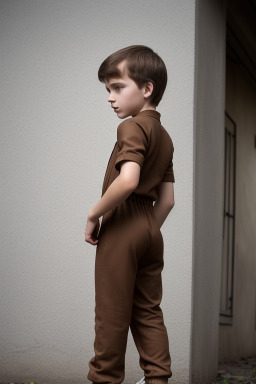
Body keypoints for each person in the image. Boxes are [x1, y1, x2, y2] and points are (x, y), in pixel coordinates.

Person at [84, 45, 175, 384]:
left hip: (123, 227)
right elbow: (167, 201)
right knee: (149, 312)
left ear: (147, 88)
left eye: (118, 87)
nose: (110, 97)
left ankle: (105, 379)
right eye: (108, 89)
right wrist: (147, 227)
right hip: (151, 231)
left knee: (111, 313)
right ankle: (158, 378)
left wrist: (94, 214)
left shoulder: (131, 127)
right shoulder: (164, 138)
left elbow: (129, 180)